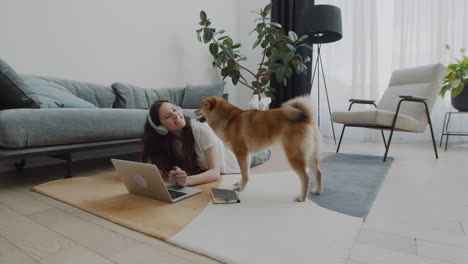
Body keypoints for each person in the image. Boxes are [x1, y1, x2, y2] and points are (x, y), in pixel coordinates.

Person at [141, 100, 271, 187]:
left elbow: (215, 172)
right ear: (160, 128)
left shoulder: (201, 130)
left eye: (175, 110)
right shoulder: (170, 141)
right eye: (168, 116)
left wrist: (187, 180)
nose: (175, 115)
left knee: (265, 150)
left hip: (236, 157)